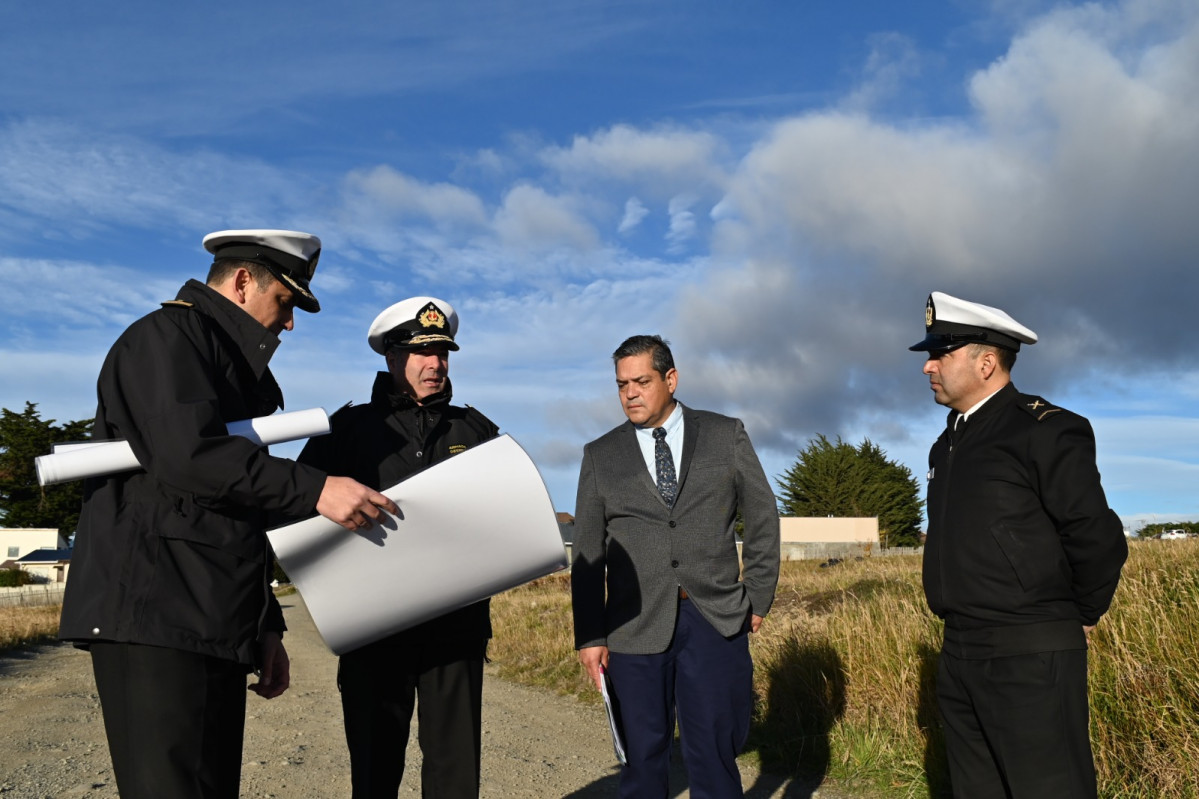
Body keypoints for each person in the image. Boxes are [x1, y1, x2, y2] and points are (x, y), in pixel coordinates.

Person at [58, 229, 398, 799]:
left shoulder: (223, 364)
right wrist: (317, 489)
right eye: (285, 303)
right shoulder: (164, 340)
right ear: (243, 282)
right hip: (157, 619)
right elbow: (191, 457)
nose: (289, 324)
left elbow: (237, 515)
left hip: (207, 620)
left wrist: (264, 624)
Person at [910, 291, 1128, 798]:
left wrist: (1080, 613)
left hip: (1029, 653)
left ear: (986, 362)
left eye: (941, 353)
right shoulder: (948, 443)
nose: (928, 368)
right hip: (960, 650)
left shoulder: (1045, 431)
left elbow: (1095, 534)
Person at [297, 296, 500, 799]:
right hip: (373, 629)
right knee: (374, 765)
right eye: (421, 352)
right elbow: (298, 515)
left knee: (456, 769)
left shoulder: (476, 432)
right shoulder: (342, 433)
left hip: (455, 629)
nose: (436, 364)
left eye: (443, 352)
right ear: (391, 357)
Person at [571, 334, 780, 798]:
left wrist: (758, 595)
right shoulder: (600, 455)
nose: (630, 393)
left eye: (641, 381)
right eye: (622, 384)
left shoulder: (727, 434)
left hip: (715, 618)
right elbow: (587, 555)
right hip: (632, 628)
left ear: (671, 378)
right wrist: (590, 636)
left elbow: (763, 516)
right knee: (642, 762)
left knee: (713, 756)